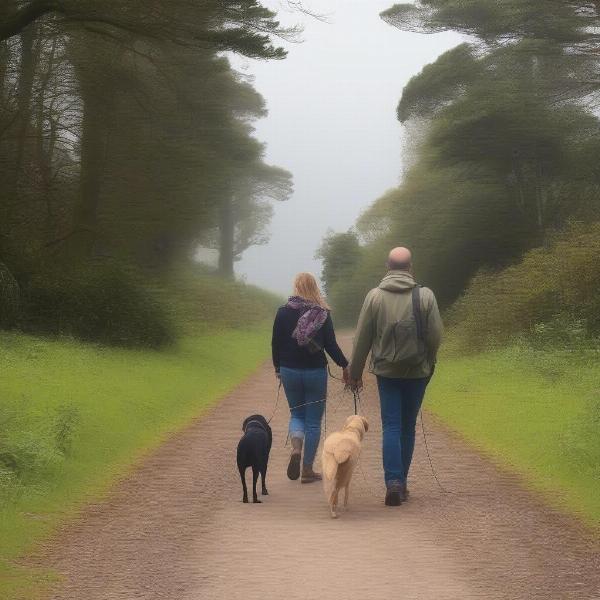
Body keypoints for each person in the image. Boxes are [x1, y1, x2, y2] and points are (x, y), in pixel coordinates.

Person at [348, 247, 443, 506]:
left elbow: (362, 339)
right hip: (417, 371)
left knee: (390, 425)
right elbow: (436, 336)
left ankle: (393, 482)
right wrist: (428, 360)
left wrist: (354, 373)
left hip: (386, 372)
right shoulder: (425, 296)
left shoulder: (374, 297)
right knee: (407, 426)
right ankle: (403, 482)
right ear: (410, 267)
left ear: (387, 267)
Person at [272, 272, 349, 484]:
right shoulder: (322, 313)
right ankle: (307, 469)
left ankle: (296, 449)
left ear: (296, 287)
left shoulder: (283, 312)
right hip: (315, 372)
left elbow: (276, 343)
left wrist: (278, 367)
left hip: (289, 370)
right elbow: (331, 345)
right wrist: (345, 365)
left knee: (296, 414)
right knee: (313, 422)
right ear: (314, 287)